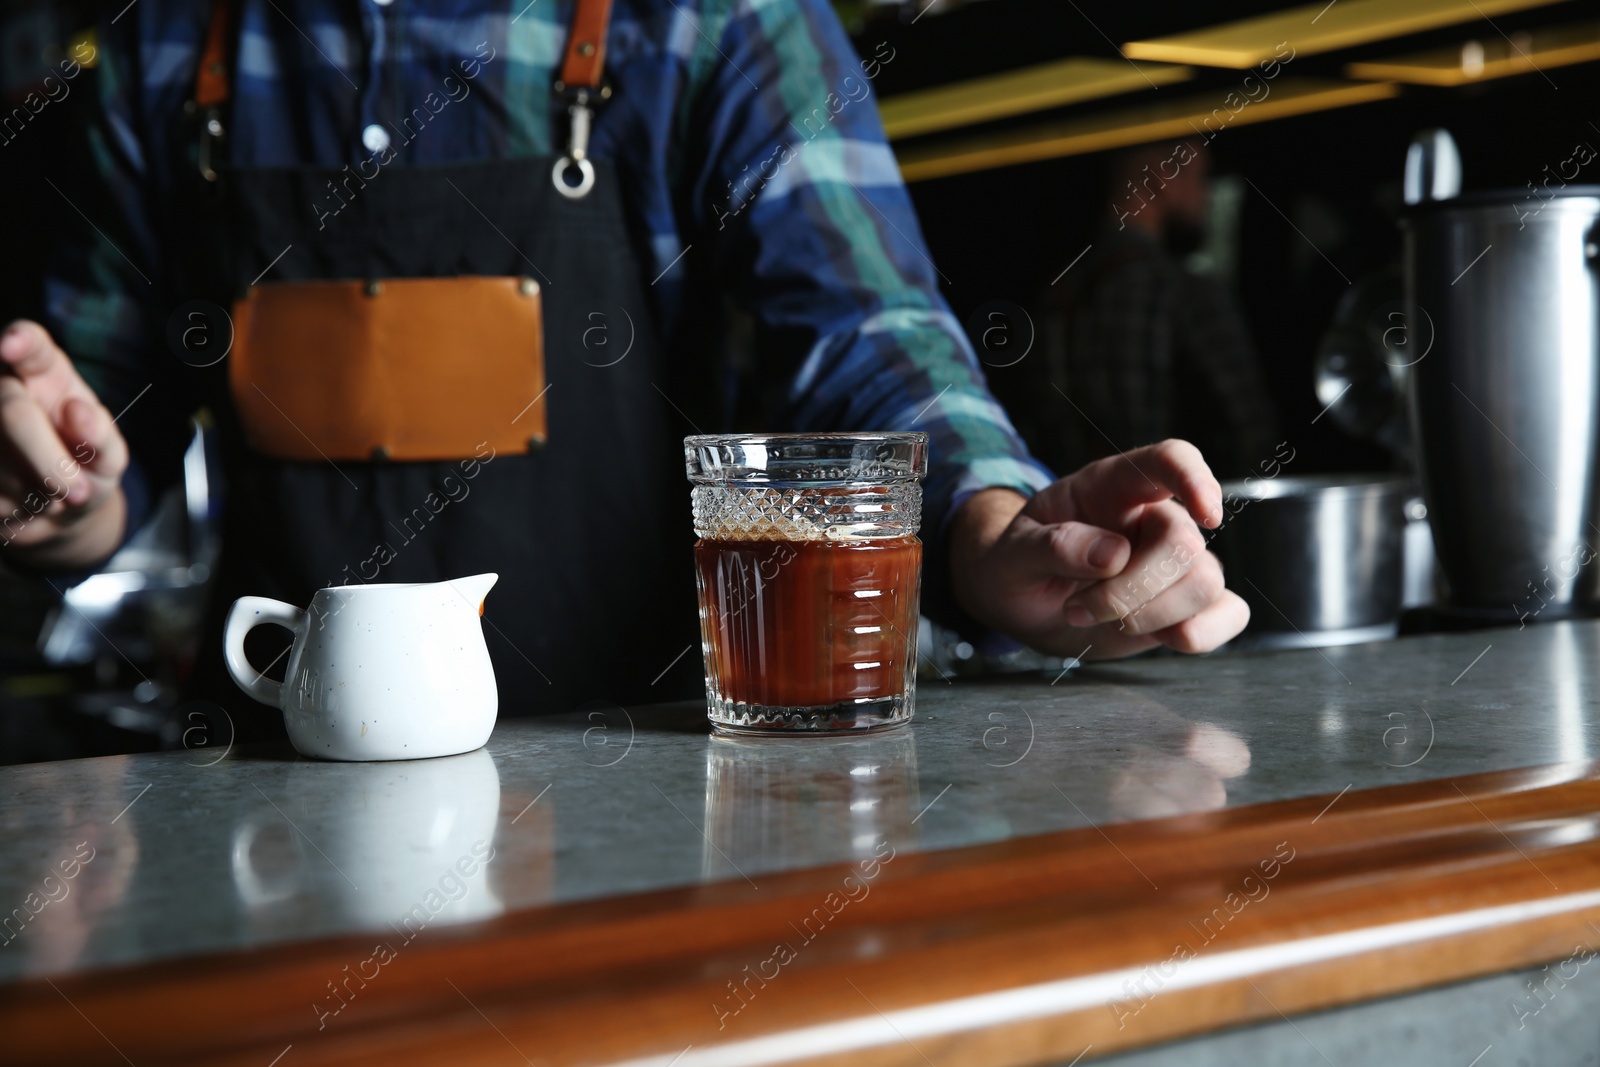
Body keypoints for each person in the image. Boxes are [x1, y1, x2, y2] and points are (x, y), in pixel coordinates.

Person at [0, 0, 1247, 735]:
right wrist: (51, 484)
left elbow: (867, 333)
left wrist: (988, 527)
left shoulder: (708, 19)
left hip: (641, 782)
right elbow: (108, 424)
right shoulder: (170, 42)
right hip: (275, 785)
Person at [1015, 139, 1278, 479]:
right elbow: (1252, 436)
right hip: (1174, 519)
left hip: (1064, 516)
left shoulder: (1050, 297)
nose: (1206, 194)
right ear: (1161, 177)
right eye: (1201, 177)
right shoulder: (1184, 292)